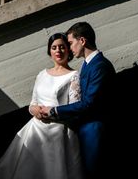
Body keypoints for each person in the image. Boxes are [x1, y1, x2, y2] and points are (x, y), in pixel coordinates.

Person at [0, 33, 83, 179]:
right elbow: (33, 103)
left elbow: (74, 108)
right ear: (49, 52)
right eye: (54, 48)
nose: (58, 51)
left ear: (68, 50)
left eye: (62, 47)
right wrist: (34, 110)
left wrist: (52, 114)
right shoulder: (42, 74)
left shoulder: (74, 76)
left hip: (58, 131)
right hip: (35, 128)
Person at [41, 22, 115, 179]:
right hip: (84, 129)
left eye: (70, 43)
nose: (69, 48)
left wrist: (54, 111)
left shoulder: (100, 66)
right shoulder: (87, 64)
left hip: (95, 131)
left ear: (82, 41)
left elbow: (88, 103)